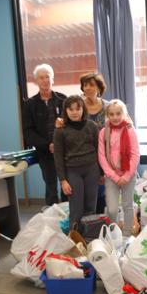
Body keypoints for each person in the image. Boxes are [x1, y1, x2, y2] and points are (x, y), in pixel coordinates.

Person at [22, 64, 66, 206]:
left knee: (67, 186)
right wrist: (48, 145)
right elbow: (28, 132)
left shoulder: (63, 100)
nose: (45, 80)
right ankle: (52, 219)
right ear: (36, 81)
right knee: (51, 188)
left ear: (52, 79)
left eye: (48, 76)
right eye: (41, 77)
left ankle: (70, 221)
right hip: (45, 152)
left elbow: (71, 126)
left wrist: (58, 144)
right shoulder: (30, 104)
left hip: (65, 151)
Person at [54, 95, 100, 228]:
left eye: (77, 109)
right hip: (72, 172)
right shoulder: (60, 130)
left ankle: (89, 238)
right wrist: (63, 180)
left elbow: (99, 150)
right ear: (66, 111)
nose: (74, 112)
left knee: (91, 207)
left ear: (83, 109)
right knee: (76, 209)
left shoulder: (92, 126)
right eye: (71, 109)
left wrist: (101, 173)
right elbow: (58, 156)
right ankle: (75, 239)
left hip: (92, 170)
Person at [98, 100, 140, 237]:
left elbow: (135, 154)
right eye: (111, 114)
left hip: (129, 175)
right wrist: (114, 176)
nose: (115, 117)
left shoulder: (130, 130)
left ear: (124, 114)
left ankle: (127, 234)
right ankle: (113, 233)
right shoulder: (104, 132)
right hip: (111, 177)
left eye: (118, 113)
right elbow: (102, 156)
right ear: (107, 115)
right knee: (112, 209)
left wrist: (127, 176)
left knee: (128, 206)